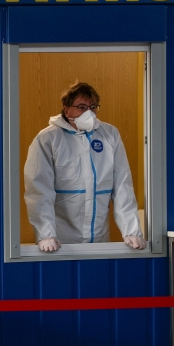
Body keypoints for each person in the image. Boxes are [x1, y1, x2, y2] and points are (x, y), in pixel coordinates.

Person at [23, 81, 146, 252]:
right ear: (66, 110)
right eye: (81, 107)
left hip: (99, 237)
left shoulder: (109, 135)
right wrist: (46, 234)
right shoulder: (48, 139)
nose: (89, 112)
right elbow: (39, 190)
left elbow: (122, 184)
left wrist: (131, 230)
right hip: (60, 240)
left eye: (93, 107)